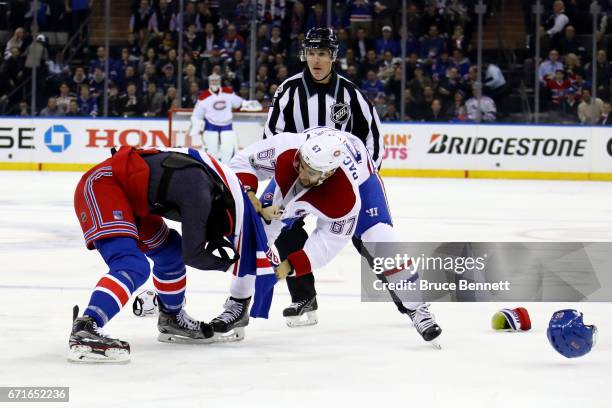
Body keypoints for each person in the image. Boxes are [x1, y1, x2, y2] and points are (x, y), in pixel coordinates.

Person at [226, 127, 442, 345]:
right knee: (257, 233)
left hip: (361, 182)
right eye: (302, 164)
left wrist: (289, 265)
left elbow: (327, 244)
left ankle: (417, 308)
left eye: (310, 172)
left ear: (328, 173)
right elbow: (244, 160)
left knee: (381, 239)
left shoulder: (344, 198)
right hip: (309, 167)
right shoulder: (287, 148)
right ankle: (238, 304)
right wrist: (250, 193)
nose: (302, 174)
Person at [69, 146, 277, 363]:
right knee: (132, 265)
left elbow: (185, 251)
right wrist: (235, 267)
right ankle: (86, 326)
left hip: (136, 200)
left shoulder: (211, 187)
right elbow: (193, 254)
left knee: (171, 253)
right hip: (105, 186)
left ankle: (171, 316)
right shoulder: (201, 195)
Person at [264, 27, 384, 324]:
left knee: (368, 237)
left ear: (333, 57)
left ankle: (406, 297)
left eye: (323, 54)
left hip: (340, 180)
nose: (316, 61)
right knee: (283, 229)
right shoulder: (288, 91)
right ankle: (304, 298)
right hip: (301, 178)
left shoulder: (352, 94)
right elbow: (272, 136)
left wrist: (365, 179)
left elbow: (373, 137)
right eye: (312, 54)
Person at [189, 73, 247, 163]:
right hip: (210, 126)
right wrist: (195, 127)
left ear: (219, 81)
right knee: (211, 153)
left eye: (216, 81)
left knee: (228, 151)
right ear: (209, 82)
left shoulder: (228, 92)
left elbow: (239, 103)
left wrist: (248, 104)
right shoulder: (203, 97)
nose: (214, 83)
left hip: (227, 125)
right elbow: (197, 115)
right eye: (212, 81)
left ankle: (227, 172)